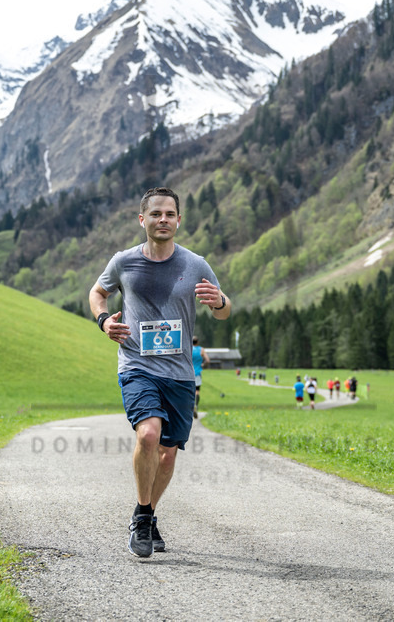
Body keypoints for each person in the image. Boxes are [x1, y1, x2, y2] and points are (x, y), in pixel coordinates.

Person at [89, 187, 231, 558]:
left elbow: (224, 309)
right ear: (143, 220)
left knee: (168, 453)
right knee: (149, 435)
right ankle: (141, 518)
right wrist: (104, 321)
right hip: (137, 365)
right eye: (155, 214)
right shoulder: (124, 262)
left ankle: (148, 514)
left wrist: (220, 301)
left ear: (179, 220)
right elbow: (97, 293)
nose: (163, 220)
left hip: (180, 374)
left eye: (169, 214)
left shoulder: (195, 264)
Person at [191, 336, 210, 418]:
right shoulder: (201, 350)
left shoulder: (189, 349)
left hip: (189, 373)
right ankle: (196, 405)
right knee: (197, 390)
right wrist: (203, 364)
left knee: (190, 391)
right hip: (198, 372)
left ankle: (190, 407)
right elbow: (208, 360)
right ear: (197, 342)